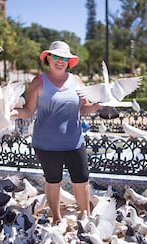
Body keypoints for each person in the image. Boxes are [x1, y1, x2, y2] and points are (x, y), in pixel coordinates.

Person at [11, 41, 101, 223]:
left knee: (82, 180)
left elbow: (83, 109)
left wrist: (98, 105)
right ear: (48, 58)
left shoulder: (76, 81)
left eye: (64, 58)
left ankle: (85, 217)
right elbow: (28, 111)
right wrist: (13, 112)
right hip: (47, 144)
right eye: (57, 57)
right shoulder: (39, 82)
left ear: (69, 61)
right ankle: (57, 219)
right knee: (53, 182)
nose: (60, 61)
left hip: (74, 141)